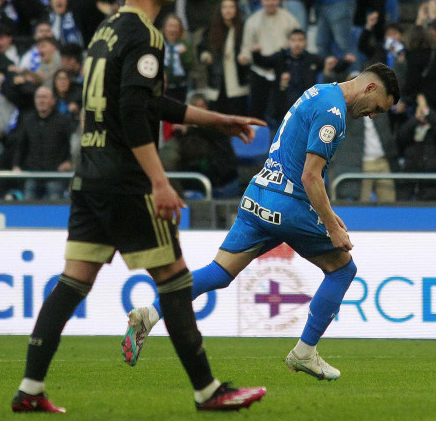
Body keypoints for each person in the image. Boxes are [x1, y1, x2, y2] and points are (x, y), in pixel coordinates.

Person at [10, 0, 267, 413]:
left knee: (73, 281)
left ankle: (29, 389)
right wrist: (160, 181)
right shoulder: (146, 35)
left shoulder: (107, 31)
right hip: (126, 179)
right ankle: (209, 391)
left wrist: (217, 120)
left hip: (90, 174)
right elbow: (132, 112)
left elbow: (145, 101)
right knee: (174, 279)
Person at [121, 62, 400, 381]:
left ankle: (151, 312)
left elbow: (297, 159)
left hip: (257, 195)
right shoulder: (334, 114)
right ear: (370, 88)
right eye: (378, 107)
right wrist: (332, 227)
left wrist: (327, 212)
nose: (373, 115)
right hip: (289, 204)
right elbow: (309, 176)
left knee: (218, 272)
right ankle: (305, 352)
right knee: (342, 269)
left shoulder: (320, 92)